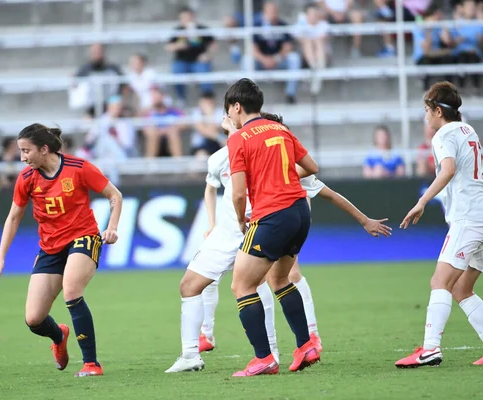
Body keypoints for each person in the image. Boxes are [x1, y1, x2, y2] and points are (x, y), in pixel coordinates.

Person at [165, 112, 391, 373]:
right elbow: (215, 184)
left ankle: (268, 354)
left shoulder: (260, 152)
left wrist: (364, 220)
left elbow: (325, 191)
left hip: (260, 225)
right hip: (247, 229)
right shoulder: (227, 156)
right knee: (275, 280)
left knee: (249, 285)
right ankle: (298, 345)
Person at [0, 123, 123, 377]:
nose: (22, 157)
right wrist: (0, 257)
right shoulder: (27, 179)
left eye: (26, 151)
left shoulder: (79, 168)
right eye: (20, 151)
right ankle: (59, 335)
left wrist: (112, 227)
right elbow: (13, 217)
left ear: (44, 149)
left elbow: (114, 195)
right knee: (34, 319)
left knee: (72, 291)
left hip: (83, 237)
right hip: (50, 248)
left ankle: (91, 363)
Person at [224, 79, 319, 377]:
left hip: (273, 216)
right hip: (300, 212)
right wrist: (280, 176)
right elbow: (312, 167)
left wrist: (241, 219)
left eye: (229, 111)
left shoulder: (238, 138)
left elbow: (238, 193)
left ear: (237, 107)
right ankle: (306, 345)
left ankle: (263, 358)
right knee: (280, 279)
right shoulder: (280, 129)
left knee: (241, 285)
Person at [396, 82, 483, 368]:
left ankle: (431, 349)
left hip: (468, 219)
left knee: (440, 281)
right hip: (480, 216)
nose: (425, 116)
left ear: (437, 110)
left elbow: (448, 170)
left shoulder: (443, 134)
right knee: (462, 288)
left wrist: (422, 201)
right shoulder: (468, 130)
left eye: (427, 110)